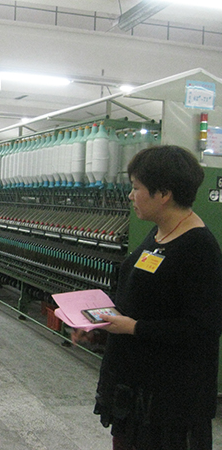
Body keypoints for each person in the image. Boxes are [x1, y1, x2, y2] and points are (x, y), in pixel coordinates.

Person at [76, 145, 222, 450]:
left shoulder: (199, 248)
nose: (131, 196)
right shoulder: (157, 234)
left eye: (136, 187)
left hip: (170, 403)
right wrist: (100, 329)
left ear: (164, 193)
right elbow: (143, 303)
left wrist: (134, 328)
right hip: (136, 392)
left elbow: (203, 328)